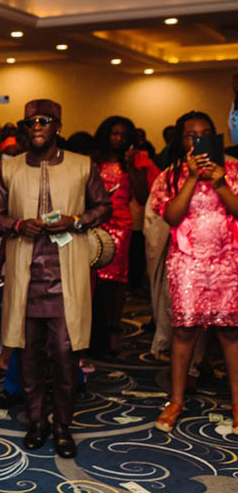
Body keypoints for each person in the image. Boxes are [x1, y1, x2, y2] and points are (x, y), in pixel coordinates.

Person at [0, 99, 111, 459]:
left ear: (57, 125)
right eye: (29, 123)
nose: (36, 127)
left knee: (63, 354)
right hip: (25, 273)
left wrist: (75, 221)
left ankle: (62, 425)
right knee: (26, 352)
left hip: (66, 273)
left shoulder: (81, 165)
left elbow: (104, 206)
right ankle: (37, 421)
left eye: (43, 121)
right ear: (24, 129)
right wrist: (16, 224)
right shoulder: (9, 169)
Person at [150, 111, 238, 434]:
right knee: (184, 333)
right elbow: (172, 217)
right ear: (181, 139)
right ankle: (175, 401)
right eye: (190, 135)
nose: (196, 140)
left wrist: (219, 182)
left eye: (204, 134)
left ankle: (237, 403)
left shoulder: (232, 169)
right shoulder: (170, 175)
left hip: (228, 261)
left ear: (215, 137)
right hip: (187, 264)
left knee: (230, 333)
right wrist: (190, 178)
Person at [91, 117, 149, 357]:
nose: (119, 139)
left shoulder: (132, 163)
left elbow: (143, 197)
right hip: (95, 223)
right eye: (114, 133)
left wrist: (131, 166)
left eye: (124, 135)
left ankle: (114, 330)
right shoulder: (93, 162)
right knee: (94, 279)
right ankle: (95, 330)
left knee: (116, 281)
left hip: (121, 226)